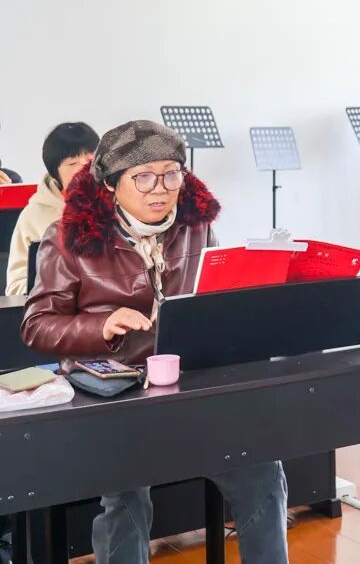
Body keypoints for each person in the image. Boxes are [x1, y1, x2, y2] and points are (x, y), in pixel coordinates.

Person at [21, 121, 288, 563]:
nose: (160, 189)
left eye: (171, 174)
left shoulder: (196, 225)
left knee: (261, 470)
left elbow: (211, 297)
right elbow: (36, 325)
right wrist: (102, 325)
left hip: (187, 386)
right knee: (126, 495)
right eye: (143, 177)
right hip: (113, 395)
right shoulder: (68, 236)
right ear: (111, 183)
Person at [6, 122, 99, 295]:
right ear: (55, 172)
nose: (84, 170)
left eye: (90, 161)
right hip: (60, 306)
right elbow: (15, 288)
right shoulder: (33, 216)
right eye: (72, 163)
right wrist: (61, 282)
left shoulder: (121, 203)